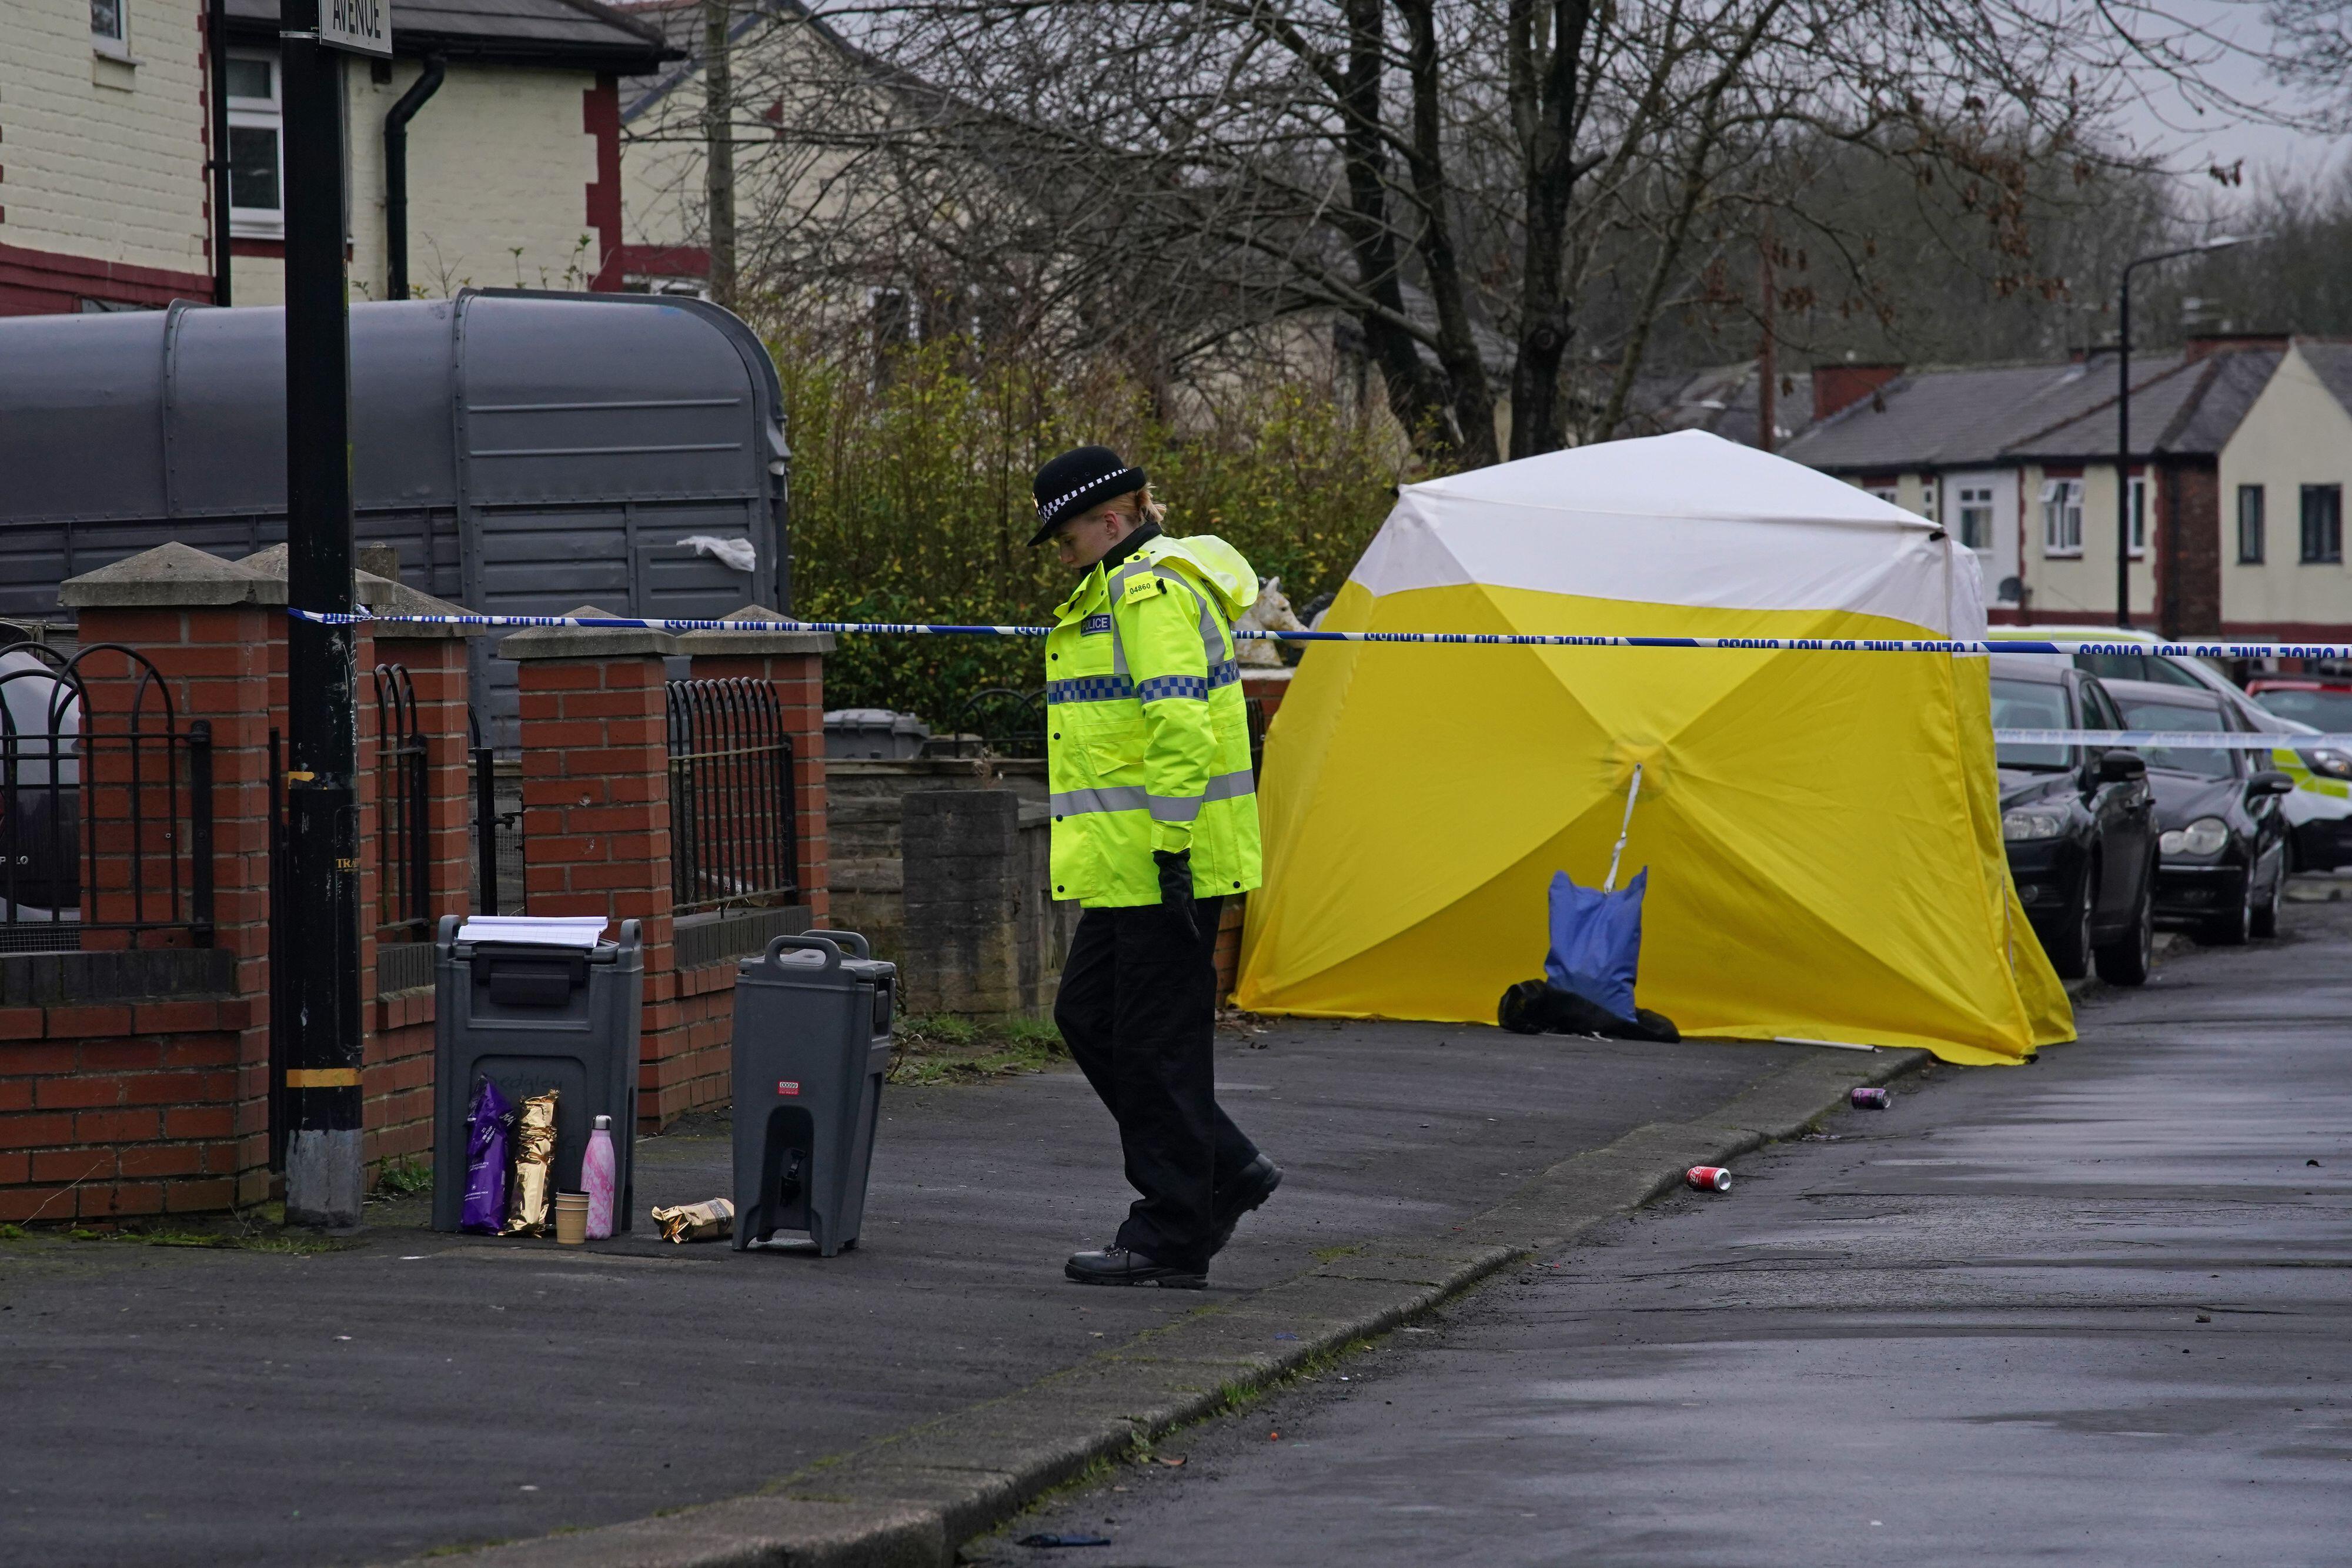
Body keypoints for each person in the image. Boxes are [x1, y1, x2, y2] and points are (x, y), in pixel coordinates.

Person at [1031, 444, 1281, 1288]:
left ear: (1113, 520)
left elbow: (1180, 732)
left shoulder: (1151, 593)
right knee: (1094, 1019)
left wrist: (1172, 849)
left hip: (1168, 862)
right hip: (1137, 864)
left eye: (1066, 539)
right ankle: (1226, 1169)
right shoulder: (1122, 591)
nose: (1062, 557)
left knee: (1153, 1042)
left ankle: (1172, 1228)